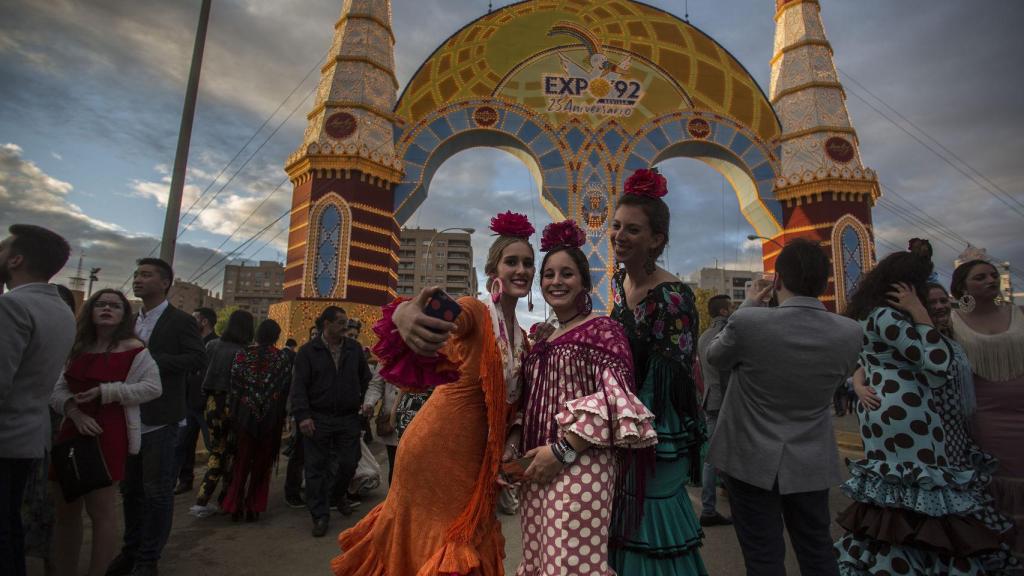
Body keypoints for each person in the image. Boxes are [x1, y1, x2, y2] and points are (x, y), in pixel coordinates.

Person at [332, 211, 535, 576]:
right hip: (434, 452)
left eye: (528, 263)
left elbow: (514, 406)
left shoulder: (522, 337)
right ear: (495, 272)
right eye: (512, 262)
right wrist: (407, 314)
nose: (521, 269)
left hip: (473, 464)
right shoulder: (475, 311)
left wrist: (510, 446)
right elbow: (442, 312)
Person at [834, 251, 1017, 574]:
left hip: (888, 411)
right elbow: (936, 363)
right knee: (918, 490)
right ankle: (915, 560)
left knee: (899, 491)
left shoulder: (870, 315)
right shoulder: (888, 317)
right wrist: (919, 312)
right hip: (907, 412)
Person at [706, 239, 861, 576]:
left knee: (763, 557)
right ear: (824, 284)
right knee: (818, 550)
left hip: (749, 459)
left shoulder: (750, 323)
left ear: (777, 281)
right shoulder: (850, 333)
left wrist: (748, 304)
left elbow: (714, 356)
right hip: (811, 460)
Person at [513, 219, 657, 574]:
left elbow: (614, 401)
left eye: (566, 274)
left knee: (572, 565)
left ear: (583, 283)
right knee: (540, 561)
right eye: (548, 274)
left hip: (581, 464)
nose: (556, 281)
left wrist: (560, 451)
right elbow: (528, 402)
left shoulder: (603, 330)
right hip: (537, 465)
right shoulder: (541, 337)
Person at [606, 169, 707, 575]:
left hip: (658, 436)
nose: (619, 235)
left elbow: (668, 382)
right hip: (623, 430)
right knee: (625, 527)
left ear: (657, 239)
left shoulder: (673, 296)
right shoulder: (619, 284)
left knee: (653, 528)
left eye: (632, 229)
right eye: (616, 226)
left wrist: (619, 423)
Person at [49, 289, 162, 576]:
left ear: (125, 314)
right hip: (73, 429)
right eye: (101, 304)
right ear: (90, 310)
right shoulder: (77, 347)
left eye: (115, 305)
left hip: (109, 431)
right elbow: (57, 389)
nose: (107, 309)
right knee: (65, 510)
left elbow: (152, 388)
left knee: (102, 511)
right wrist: (73, 411)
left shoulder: (135, 349)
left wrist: (107, 391)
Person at [108, 258, 204, 576]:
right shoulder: (129, 322)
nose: (138, 280)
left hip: (162, 419)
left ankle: (149, 558)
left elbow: (196, 358)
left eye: (146, 275)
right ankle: (131, 549)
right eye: (136, 274)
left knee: (158, 490)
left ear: (165, 283)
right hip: (129, 418)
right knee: (130, 490)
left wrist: (150, 360)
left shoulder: (180, 321)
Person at [0, 224, 75, 576]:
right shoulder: (60, 309)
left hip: (5, 437)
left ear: (15, 259)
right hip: (29, 437)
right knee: (9, 529)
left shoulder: (13, 306)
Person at [950, 258, 1024, 556]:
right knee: (996, 483)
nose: (990, 280)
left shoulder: (1017, 314)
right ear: (962, 287)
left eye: (993, 275)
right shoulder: (952, 322)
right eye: (980, 277)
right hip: (984, 417)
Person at [291, 306, 371, 537]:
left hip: (348, 417)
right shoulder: (308, 352)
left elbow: (366, 379)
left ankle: (338, 495)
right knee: (316, 468)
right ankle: (320, 515)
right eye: (340, 322)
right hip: (317, 418)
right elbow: (299, 388)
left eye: (346, 322)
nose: (345, 327)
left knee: (349, 461)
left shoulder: (354, 349)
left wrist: (366, 403)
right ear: (326, 324)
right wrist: (303, 416)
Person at [220, 319, 291, 523]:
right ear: (277, 336)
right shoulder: (281, 359)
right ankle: (254, 506)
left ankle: (234, 505)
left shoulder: (242, 355)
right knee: (262, 464)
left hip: (243, 417)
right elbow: (283, 390)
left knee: (240, 463)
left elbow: (234, 387)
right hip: (270, 419)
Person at [190, 310, 253, 517]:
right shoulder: (245, 352)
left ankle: (202, 499)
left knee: (217, 450)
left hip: (211, 404)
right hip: (234, 406)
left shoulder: (212, 346)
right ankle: (228, 498)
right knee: (234, 452)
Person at [697, 294, 733, 527]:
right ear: (722, 312)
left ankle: (714, 503)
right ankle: (711, 508)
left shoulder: (703, 337)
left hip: (710, 399)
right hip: (726, 400)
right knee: (725, 454)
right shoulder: (728, 333)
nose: (733, 310)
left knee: (713, 454)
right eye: (731, 307)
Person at [174, 307, 217, 495]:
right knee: (183, 443)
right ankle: (185, 479)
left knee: (212, 444)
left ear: (204, 321)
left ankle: (211, 484)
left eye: (194, 319)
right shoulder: (192, 343)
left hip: (208, 404)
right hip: (189, 402)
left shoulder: (215, 344)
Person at [360, 364, 400, 486]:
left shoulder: (432, 350)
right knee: (396, 467)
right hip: (393, 422)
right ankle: (394, 502)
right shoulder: (389, 355)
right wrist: (370, 403)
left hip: (422, 419)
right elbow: (376, 384)